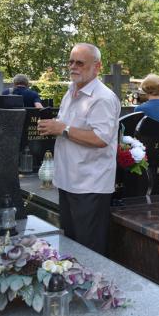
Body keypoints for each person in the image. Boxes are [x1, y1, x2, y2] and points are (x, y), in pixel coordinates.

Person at [37, 43, 120, 255]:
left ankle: (94, 288)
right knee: (72, 245)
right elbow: (71, 127)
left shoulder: (103, 98)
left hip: (89, 185)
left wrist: (62, 128)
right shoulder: (71, 91)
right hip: (68, 180)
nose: (73, 66)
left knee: (89, 250)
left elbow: (101, 138)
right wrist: (54, 127)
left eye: (80, 63)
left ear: (97, 66)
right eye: (71, 61)